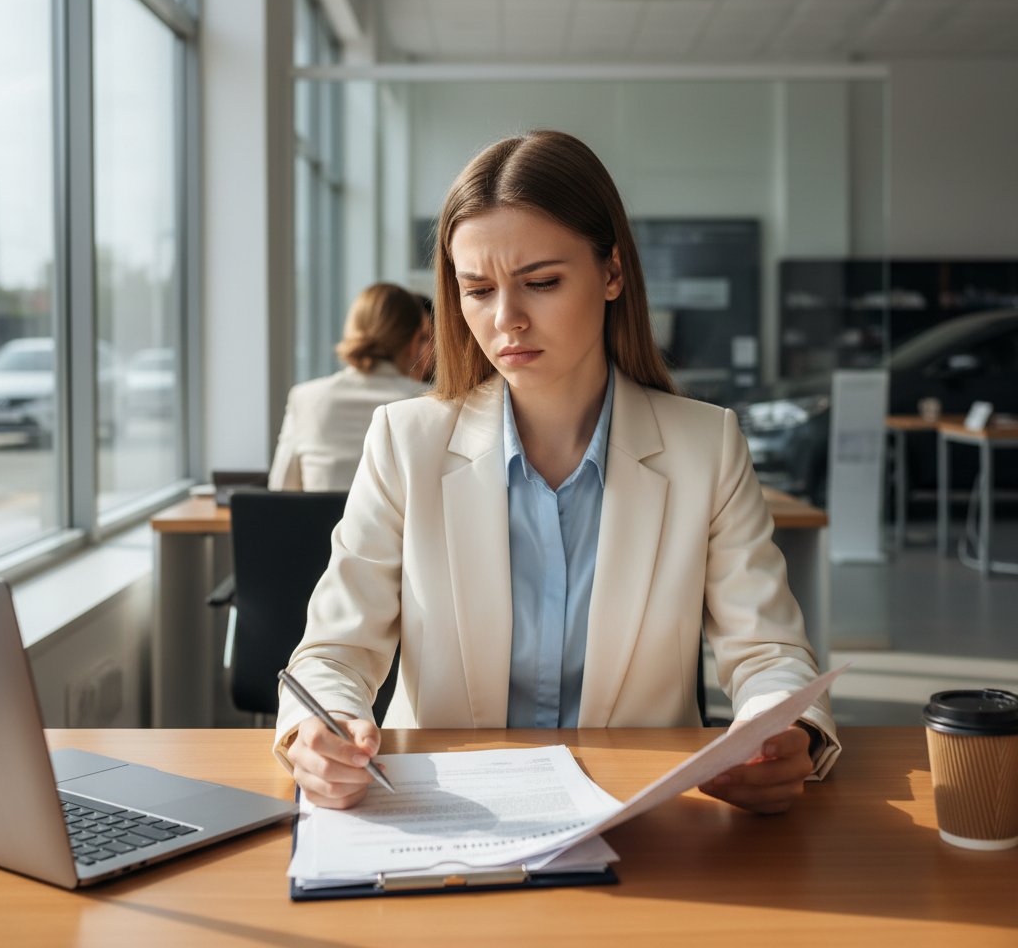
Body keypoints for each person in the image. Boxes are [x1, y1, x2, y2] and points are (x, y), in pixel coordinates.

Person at [274, 130, 841, 815]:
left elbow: (768, 652)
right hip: (449, 818)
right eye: (477, 290)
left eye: (541, 283)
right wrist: (320, 727)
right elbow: (332, 652)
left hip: (637, 816)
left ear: (611, 273)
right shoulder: (405, 442)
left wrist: (784, 730)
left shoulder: (705, 446)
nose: (507, 319)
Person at [268, 282, 430, 492]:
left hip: (319, 525)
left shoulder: (306, 398)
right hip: (395, 526)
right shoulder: (427, 402)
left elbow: (281, 489)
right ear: (414, 342)